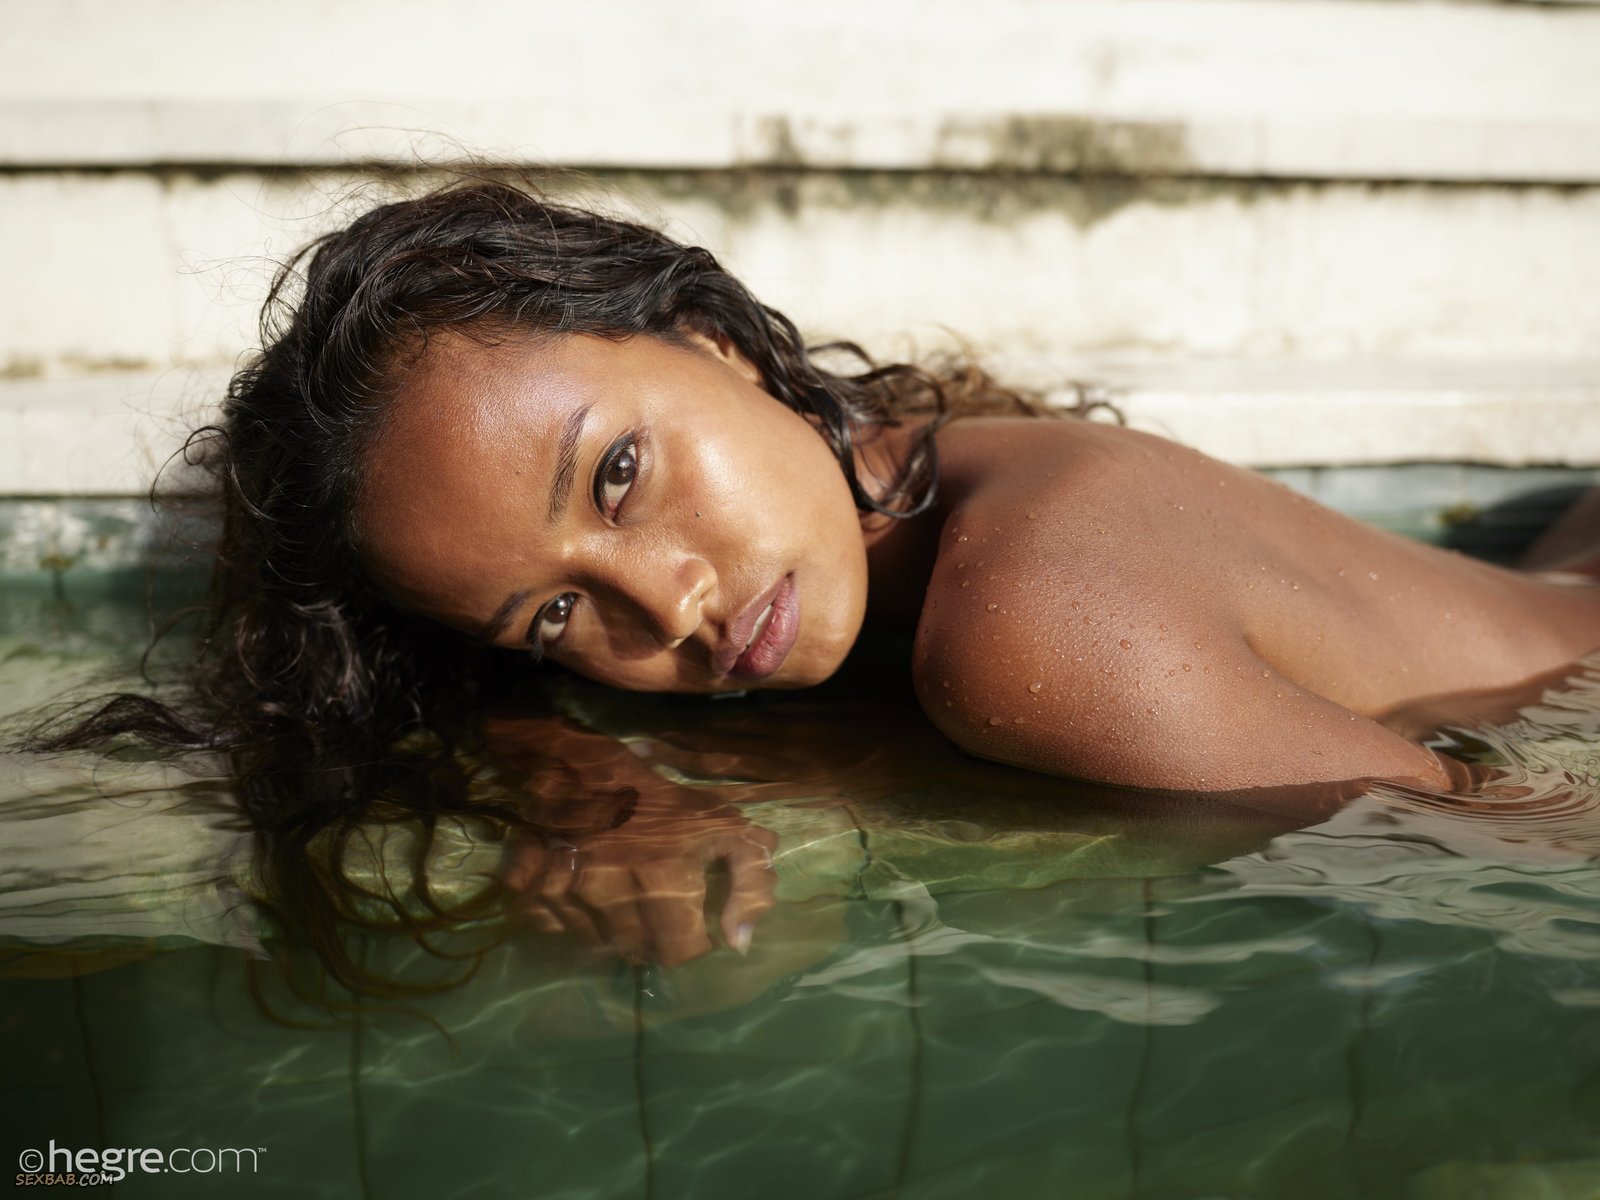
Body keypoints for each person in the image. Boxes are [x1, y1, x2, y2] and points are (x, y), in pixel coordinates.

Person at [31, 176, 1600, 970]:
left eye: (619, 474)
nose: (667, 606)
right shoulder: (899, 480)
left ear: (707, 336)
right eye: (558, 611)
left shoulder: (1030, 631)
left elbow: (1514, 840)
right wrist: (561, 765)